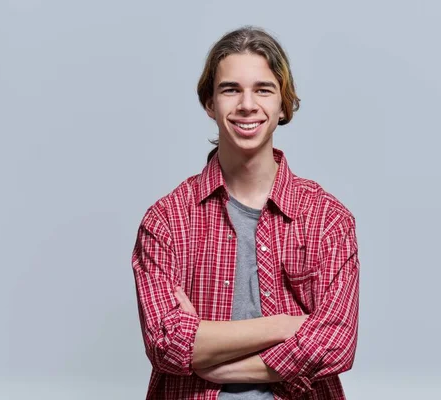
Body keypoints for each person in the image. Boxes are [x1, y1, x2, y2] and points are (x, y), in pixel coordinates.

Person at [131, 26, 360, 400]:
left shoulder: (327, 218)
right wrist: (285, 325)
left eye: (263, 89)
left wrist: (207, 354)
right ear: (210, 103)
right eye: (230, 89)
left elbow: (336, 342)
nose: (247, 105)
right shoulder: (166, 220)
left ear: (284, 105)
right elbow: (166, 342)